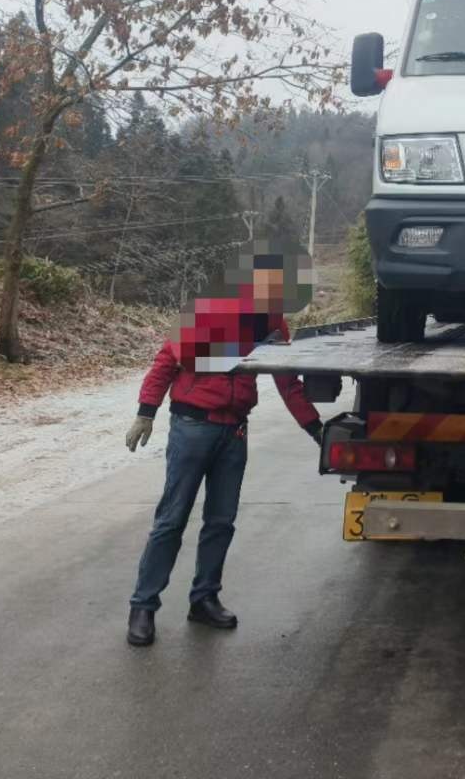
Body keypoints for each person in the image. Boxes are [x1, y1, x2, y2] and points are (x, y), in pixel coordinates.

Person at [123, 241, 327, 647]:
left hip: (234, 431)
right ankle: (143, 606)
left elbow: (288, 383)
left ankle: (204, 599)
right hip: (192, 427)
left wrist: (316, 430)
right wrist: (146, 411)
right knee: (171, 520)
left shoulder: (273, 325)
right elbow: (167, 360)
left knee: (221, 522)